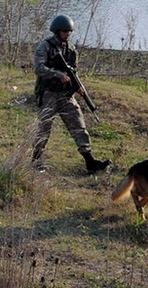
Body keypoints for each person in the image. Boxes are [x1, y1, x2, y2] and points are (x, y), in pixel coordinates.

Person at [31, 14, 111, 174]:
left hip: (66, 95)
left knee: (79, 126)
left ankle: (90, 161)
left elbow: (72, 71)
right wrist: (57, 74)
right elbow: (38, 68)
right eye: (65, 31)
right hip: (48, 94)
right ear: (57, 31)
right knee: (43, 128)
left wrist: (77, 86)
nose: (68, 34)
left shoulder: (71, 49)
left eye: (70, 31)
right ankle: (36, 160)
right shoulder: (45, 47)